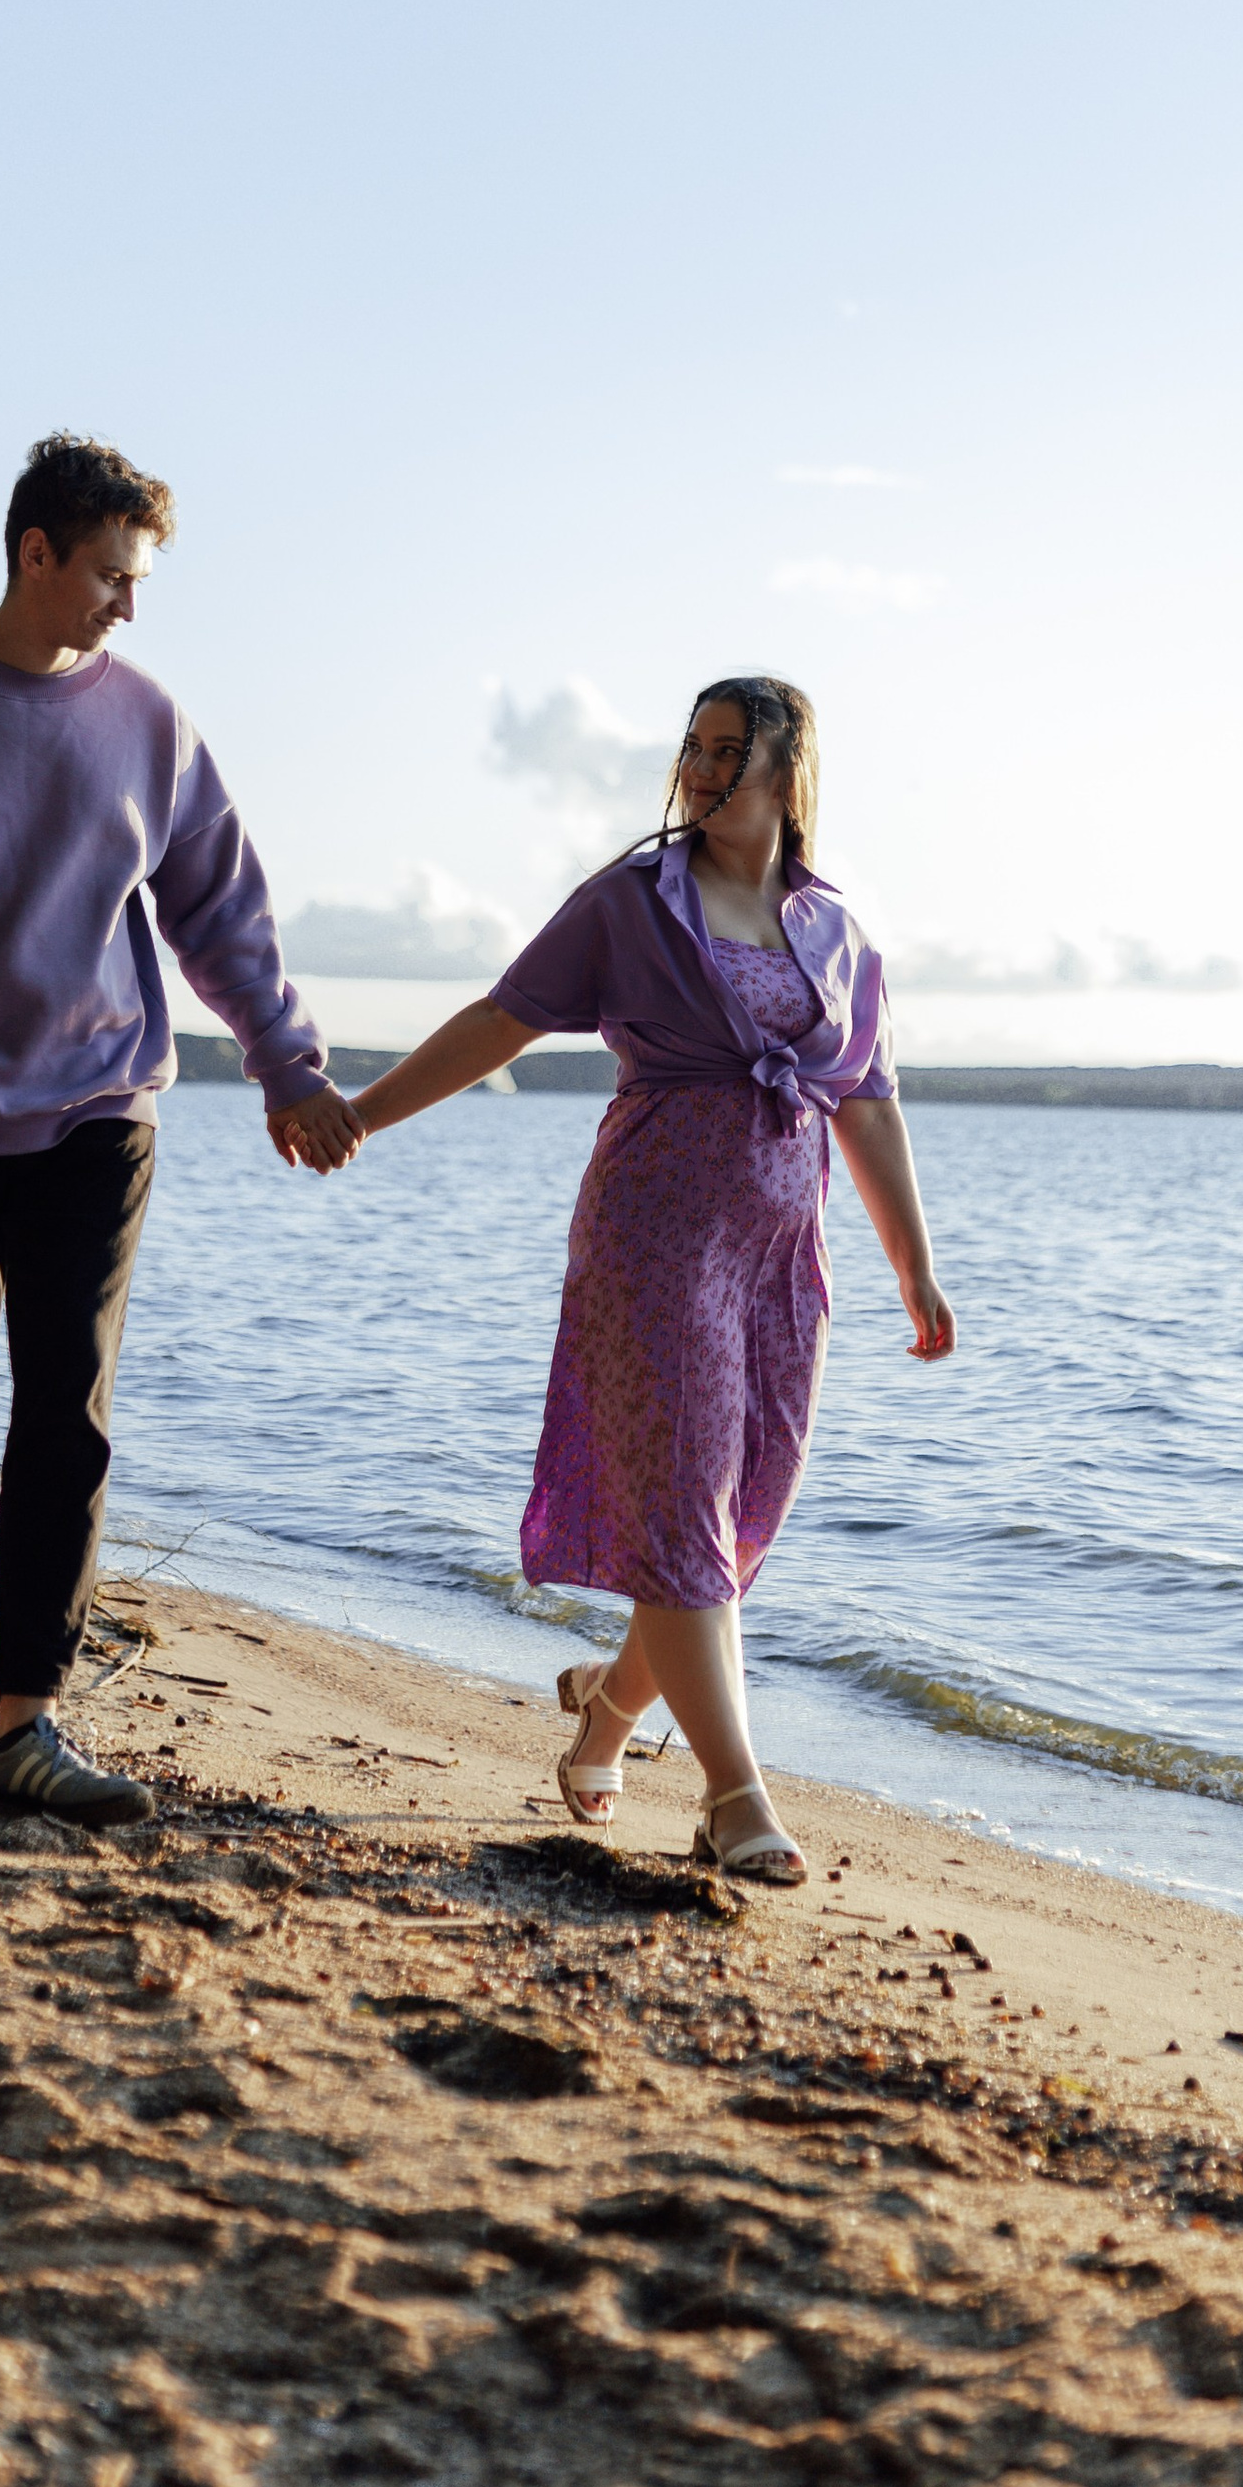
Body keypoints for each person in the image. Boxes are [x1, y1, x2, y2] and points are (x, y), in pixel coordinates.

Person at [0, 432, 360, 1827]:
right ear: (35, 553)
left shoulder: (149, 722)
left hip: (98, 1115)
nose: (127, 602)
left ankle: (28, 1721)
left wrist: (284, 1064)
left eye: (140, 576)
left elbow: (218, 905)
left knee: (67, 1420)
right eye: (111, 572)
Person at [335, 674, 954, 1885]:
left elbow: (867, 1102)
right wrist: (365, 1114)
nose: (704, 771)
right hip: (652, 1241)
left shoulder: (833, 929)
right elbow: (500, 1018)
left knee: (737, 1518)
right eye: (694, 749)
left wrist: (913, 1270)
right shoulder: (630, 905)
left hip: (780, 1257)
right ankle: (736, 1797)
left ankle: (609, 1714)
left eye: (732, 752)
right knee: (680, 1514)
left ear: (788, 774)